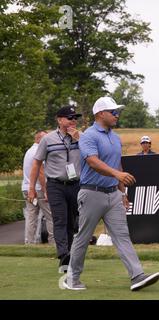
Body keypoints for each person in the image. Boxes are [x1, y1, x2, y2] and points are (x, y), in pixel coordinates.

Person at [63, 96, 159, 291]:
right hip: (91, 193)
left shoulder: (115, 138)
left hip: (113, 195)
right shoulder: (89, 135)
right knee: (83, 237)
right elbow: (92, 161)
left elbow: (117, 164)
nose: (117, 115)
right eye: (113, 112)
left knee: (122, 235)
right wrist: (117, 174)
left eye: (117, 111)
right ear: (100, 114)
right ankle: (72, 279)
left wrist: (123, 193)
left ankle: (137, 276)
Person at [28, 106, 82, 272]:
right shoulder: (48, 139)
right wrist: (32, 188)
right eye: (69, 118)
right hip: (56, 185)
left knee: (72, 223)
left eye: (75, 118)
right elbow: (37, 163)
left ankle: (69, 256)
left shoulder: (82, 137)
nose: (73, 121)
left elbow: (92, 157)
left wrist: (78, 140)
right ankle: (64, 255)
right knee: (59, 220)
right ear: (59, 120)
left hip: (76, 184)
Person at [22, 130, 54, 244]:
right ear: (40, 139)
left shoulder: (29, 151)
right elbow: (40, 172)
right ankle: (53, 242)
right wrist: (46, 190)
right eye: (46, 139)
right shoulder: (38, 151)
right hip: (38, 189)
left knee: (31, 217)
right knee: (50, 215)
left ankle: (29, 242)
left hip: (27, 187)